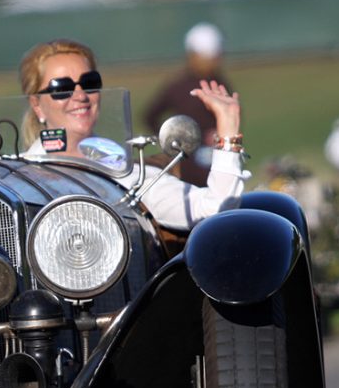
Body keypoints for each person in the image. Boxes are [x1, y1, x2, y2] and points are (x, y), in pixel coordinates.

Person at [18, 38, 248, 231]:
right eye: (61, 88)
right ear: (37, 105)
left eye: (89, 82)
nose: (80, 96)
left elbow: (212, 209)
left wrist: (227, 130)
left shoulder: (124, 172)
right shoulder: (16, 179)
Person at [142, 22, 235, 185]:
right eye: (209, 56)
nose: (215, 60)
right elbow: (150, 116)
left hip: (216, 161)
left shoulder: (221, 84)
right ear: (193, 56)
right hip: (188, 167)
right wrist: (170, 140)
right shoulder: (178, 86)